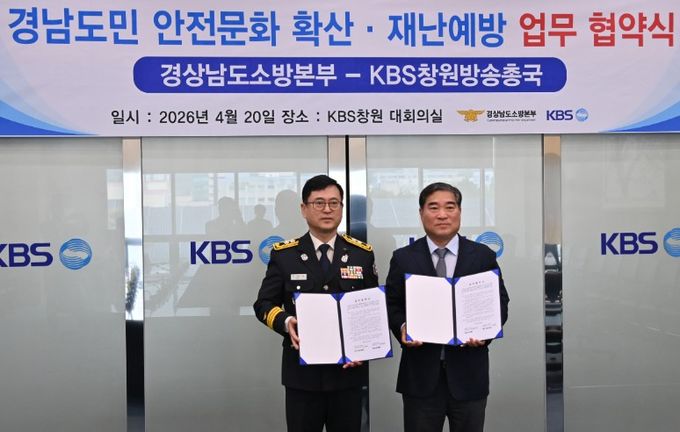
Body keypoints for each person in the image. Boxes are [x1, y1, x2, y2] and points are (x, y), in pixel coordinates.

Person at [253, 174, 378, 432]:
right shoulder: (285, 255)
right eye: (319, 203)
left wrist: (363, 348)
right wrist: (286, 321)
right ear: (304, 209)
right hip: (302, 377)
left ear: (342, 208)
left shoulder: (361, 254)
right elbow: (263, 303)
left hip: (347, 375)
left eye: (334, 203)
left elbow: (372, 310)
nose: (327, 209)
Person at [385, 182, 510, 432]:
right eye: (433, 207)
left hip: (469, 376)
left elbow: (500, 303)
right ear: (421, 213)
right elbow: (392, 304)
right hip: (420, 377)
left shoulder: (482, 256)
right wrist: (402, 327)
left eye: (450, 207)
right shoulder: (403, 257)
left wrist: (484, 333)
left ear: (459, 212)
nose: (442, 215)